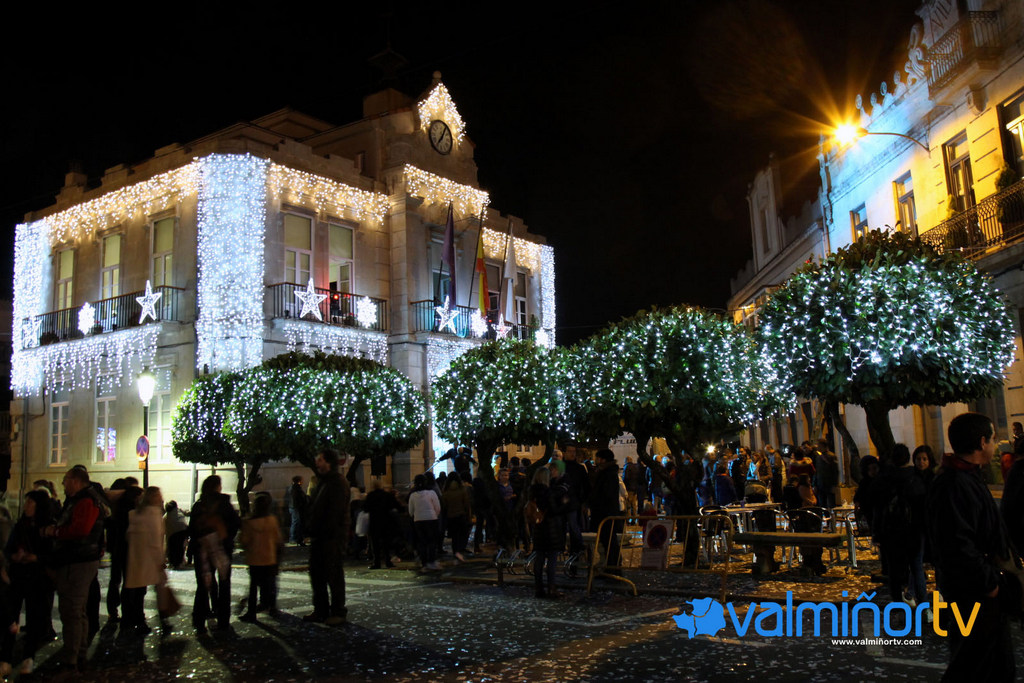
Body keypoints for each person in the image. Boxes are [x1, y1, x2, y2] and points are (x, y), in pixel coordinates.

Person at [928, 412, 1019, 682]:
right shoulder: (953, 483)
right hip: (972, 593)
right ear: (981, 442)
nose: (995, 445)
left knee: (994, 665)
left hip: (981, 590)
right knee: (973, 665)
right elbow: (957, 544)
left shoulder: (966, 477)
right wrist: (989, 584)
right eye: (992, 438)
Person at [42, 467, 106, 671]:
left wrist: (56, 532)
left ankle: (72, 656)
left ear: (76, 481)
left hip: (78, 561)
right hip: (78, 559)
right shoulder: (81, 499)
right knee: (77, 610)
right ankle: (78, 651)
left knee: (72, 610)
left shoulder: (85, 501)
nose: (63, 484)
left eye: (66, 479)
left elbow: (80, 530)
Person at [5, 489, 54, 675]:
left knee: (34, 618)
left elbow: (53, 554)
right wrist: (14, 556)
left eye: (30, 503)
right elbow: (9, 548)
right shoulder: (20, 525)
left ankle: (28, 657)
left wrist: (36, 557)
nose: (26, 506)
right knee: (11, 617)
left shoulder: (47, 527)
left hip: (37, 577)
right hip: (18, 574)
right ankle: (6, 658)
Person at [876, 444, 928, 608]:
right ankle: (923, 603)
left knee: (893, 569)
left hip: (891, 530)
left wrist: (877, 533)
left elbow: (879, 508)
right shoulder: (916, 477)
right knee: (917, 567)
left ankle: (898, 602)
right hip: (914, 530)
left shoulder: (884, 479)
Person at [188, 475, 240, 634]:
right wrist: (226, 539)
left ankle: (199, 620)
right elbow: (235, 524)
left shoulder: (199, 505)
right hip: (221, 549)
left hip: (202, 550)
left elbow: (192, 529)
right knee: (224, 585)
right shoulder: (224, 504)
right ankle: (223, 620)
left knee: (203, 586)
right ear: (218, 487)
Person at [305, 449, 350, 625]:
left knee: (333, 575)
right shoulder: (323, 481)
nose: (317, 462)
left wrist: (329, 532)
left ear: (329, 462)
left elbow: (335, 512)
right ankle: (321, 610)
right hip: (320, 536)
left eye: (320, 460)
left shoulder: (337, 482)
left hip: (331, 538)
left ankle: (338, 611)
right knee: (317, 575)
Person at [123, 487, 167, 635]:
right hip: (149, 559)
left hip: (135, 558)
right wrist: (160, 560)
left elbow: (128, 536)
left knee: (135, 591)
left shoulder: (134, 514)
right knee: (147, 591)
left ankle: (132, 619)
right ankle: (146, 620)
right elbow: (156, 541)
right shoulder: (154, 514)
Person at [240, 492, 282, 622]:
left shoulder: (249, 522)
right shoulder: (272, 520)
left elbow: (244, 540)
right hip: (269, 557)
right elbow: (277, 539)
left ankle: (251, 612)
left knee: (253, 586)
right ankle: (272, 606)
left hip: (255, 558)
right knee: (270, 583)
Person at [527, 466, 568, 598]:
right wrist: (563, 504)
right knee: (551, 559)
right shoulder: (548, 492)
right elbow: (554, 510)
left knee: (539, 558)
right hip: (550, 528)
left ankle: (538, 588)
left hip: (538, 528)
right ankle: (551, 588)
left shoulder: (532, 491)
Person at [588, 449, 623, 569]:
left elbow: (606, 494)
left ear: (603, 460)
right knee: (607, 542)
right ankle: (611, 566)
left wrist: (595, 501)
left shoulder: (608, 474)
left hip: (606, 513)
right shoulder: (606, 472)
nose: (595, 460)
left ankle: (613, 567)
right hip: (605, 513)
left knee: (609, 542)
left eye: (597, 458)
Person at [363, 481, 401, 569]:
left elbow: (365, 508)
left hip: (374, 521)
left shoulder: (370, 495)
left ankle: (377, 562)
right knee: (386, 543)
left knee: (375, 543)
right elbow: (396, 506)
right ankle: (388, 561)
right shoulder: (387, 495)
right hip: (386, 521)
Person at [408, 474, 441, 570]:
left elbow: (410, 511)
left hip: (418, 520)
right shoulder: (431, 493)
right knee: (432, 541)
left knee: (422, 542)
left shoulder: (413, 495)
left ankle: (424, 563)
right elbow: (437, 507)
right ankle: (431, 561)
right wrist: (435, 515)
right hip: (431, 518)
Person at [441, 475, 472, 562]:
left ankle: (456, 551)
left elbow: (444, 505)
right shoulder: (462, 490)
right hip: (461, 515)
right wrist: (468, 515)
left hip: (450, 516)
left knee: (454, 535)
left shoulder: (446, 491)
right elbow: (466, 504)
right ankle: (460, 549)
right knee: (463, 533)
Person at [164, 501, 188, 569]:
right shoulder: (179, 512)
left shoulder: (166, 517)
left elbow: (166, 532)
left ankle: (175, 562)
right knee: (181, 548)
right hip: (183, 531)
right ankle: (180, 562)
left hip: (173, 534)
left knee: (173, 548)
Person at [288, 475, 308, 545]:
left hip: (293, 507)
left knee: (295, 522)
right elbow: (300, 498)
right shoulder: (296, 488)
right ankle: (293, 538)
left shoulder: (293, 488)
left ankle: (294, 538)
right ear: (299, 481)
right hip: (296, 507)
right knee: (296, 523)